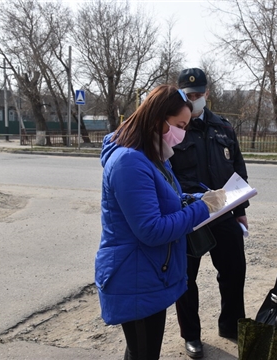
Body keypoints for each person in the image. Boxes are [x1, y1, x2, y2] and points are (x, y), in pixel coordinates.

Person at [95, 84, 226, 360]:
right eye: (179, 125)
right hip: (134, 276)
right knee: (143, 352)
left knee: (141, 351)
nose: (182, 133)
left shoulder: (153, 154)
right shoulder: (129, 162)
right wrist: (202, 209)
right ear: (158, 120)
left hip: (147, 271)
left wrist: (200, 197)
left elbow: (168, 198)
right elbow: (152, 230)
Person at [169, 68, 249, 359]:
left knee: (234, 271)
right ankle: (191, 336)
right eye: (189, 95)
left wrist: (240, 210)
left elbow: (238, 168)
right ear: (180, 95)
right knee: (186, 279)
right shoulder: (175, 128)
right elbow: (166, 174)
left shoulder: (223, 127)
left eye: (199, 94)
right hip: (189, 217)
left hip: (224, 212)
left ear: (207, 93)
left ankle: (230, 325)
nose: (195, 99)